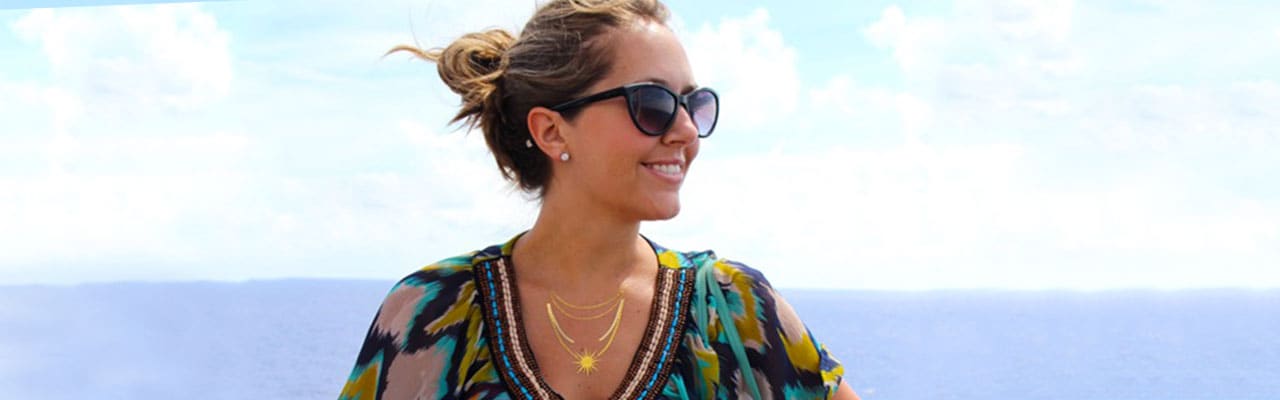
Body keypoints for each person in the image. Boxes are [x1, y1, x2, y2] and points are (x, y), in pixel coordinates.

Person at [338, 0, 858, 398]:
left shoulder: (733, 309)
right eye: (652, 103)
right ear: (552, 132)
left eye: (692, 104)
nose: (684, 131)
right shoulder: (434, 312)